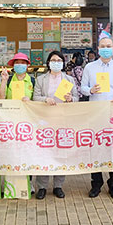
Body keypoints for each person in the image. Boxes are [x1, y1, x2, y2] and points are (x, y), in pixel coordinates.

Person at [80, 36, 113, 199]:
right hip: (95, 113)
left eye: (109, 46)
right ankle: (96, 184)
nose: (106, 48)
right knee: (95, 148)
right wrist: (90, 90)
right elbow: (82, 87)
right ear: (98, 49)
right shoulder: (90, 67)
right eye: (103, 46)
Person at [32, 51, 79, 199]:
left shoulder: (69, 79)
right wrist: (45, 99)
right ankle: (42, 186)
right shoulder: (41, 79)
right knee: (44, 153)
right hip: (44, 120)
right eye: (53, 60)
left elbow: (77, 98)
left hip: (62, 120)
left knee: (61, 153)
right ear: (48, 62)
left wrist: (71, 99)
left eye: (59, 60)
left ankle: (58, 185)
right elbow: (35, 97)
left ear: (63, 63)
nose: (56, 62)